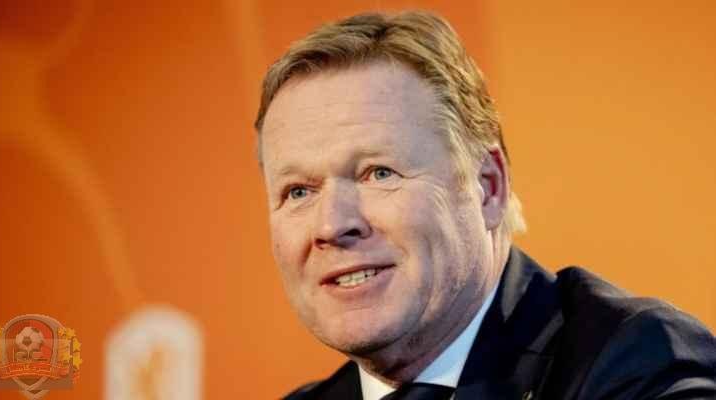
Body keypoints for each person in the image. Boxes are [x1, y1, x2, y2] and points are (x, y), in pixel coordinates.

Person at [254, 11, 716, 400]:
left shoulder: (637, 364)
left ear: (487, 187)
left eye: (378, 173)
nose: (332, 225)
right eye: (299, 191)